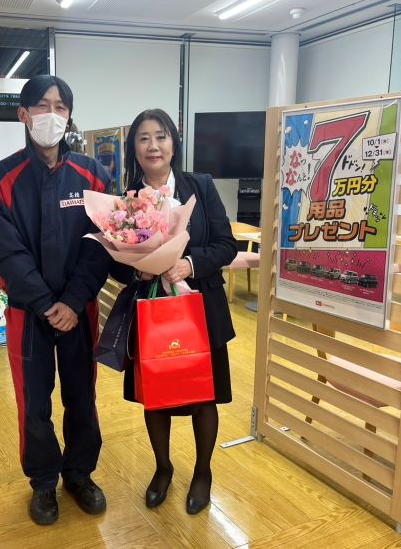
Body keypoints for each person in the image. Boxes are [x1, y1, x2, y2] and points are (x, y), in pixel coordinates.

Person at [0, 75, 112, 526]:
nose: (51, 115)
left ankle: (79, 474)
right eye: (42, 106)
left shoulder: (93, 175)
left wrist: (73, 302)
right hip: (28, 313)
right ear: (23, 115)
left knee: (82, 396)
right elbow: (6, 251)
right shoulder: (1, 178)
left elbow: (102, 243)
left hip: (80, 311)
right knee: (34, 401)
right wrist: (45, 303)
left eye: (60, 107)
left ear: (69, 117)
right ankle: (42, 482)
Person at [121, 109, 237, 515]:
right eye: (143, 138)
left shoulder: (200, 187)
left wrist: (189, 264)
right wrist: (137, 267)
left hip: (201, 308)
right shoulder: (127, 200)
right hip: (152, 309)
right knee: (156, 396)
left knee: (204, 394)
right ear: (134, 148)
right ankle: (163, 467)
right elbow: (114, 262)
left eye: (161, 136)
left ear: (173, 143)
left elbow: (226, 245)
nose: (153, 146)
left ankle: (203, 471)